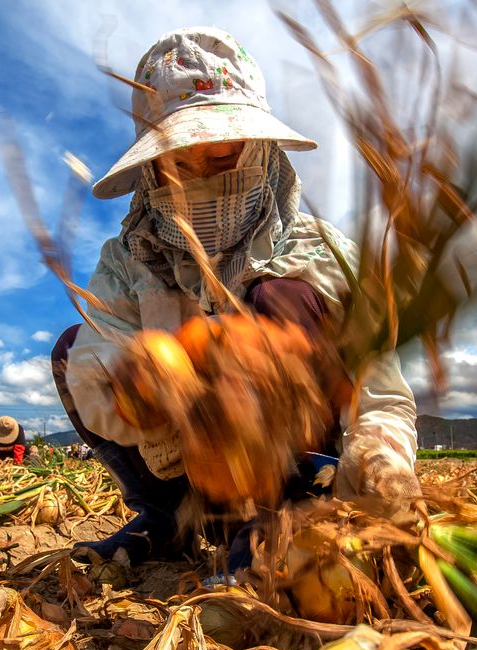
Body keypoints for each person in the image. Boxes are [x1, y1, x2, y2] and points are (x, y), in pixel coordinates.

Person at [51, 28, 420, 572]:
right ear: (151, 172)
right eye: (179, 166)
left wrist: (380, 466)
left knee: (286, 299)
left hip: (298, 476)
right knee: (70, 349)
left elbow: (381, 393)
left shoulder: (317, 252)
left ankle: (286, 516)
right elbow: (92, 368)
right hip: (185, 472)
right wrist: (149, 390)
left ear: (262, 155)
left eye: (222, 158)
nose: (200, 180)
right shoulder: (132, 260)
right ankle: (165, 519)